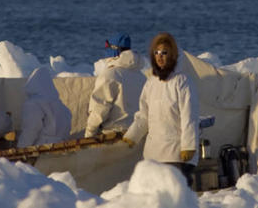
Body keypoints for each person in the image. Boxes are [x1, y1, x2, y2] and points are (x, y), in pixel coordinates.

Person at [123, 32, 199, 187]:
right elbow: (144, 115)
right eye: (156, 53)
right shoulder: (151, 84)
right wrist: (133, 135)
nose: (160, 56)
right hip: (153, 154)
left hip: (176, 154)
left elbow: (189, 117)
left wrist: (188, 146)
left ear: (172, 55)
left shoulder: (182, 82)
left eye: (164, 53)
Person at [85, 32, 146, 137]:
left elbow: (99, 108)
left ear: (112, 50)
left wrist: (89, 132)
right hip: (136, 134)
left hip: (114, 134)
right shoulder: (142, 77)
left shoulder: (110, 75)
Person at [17, 67, 72, 148]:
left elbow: (31, 130)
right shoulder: (62, 106)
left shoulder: (33, 103)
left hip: (42, 149)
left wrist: (21, 148)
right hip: (61, 147)